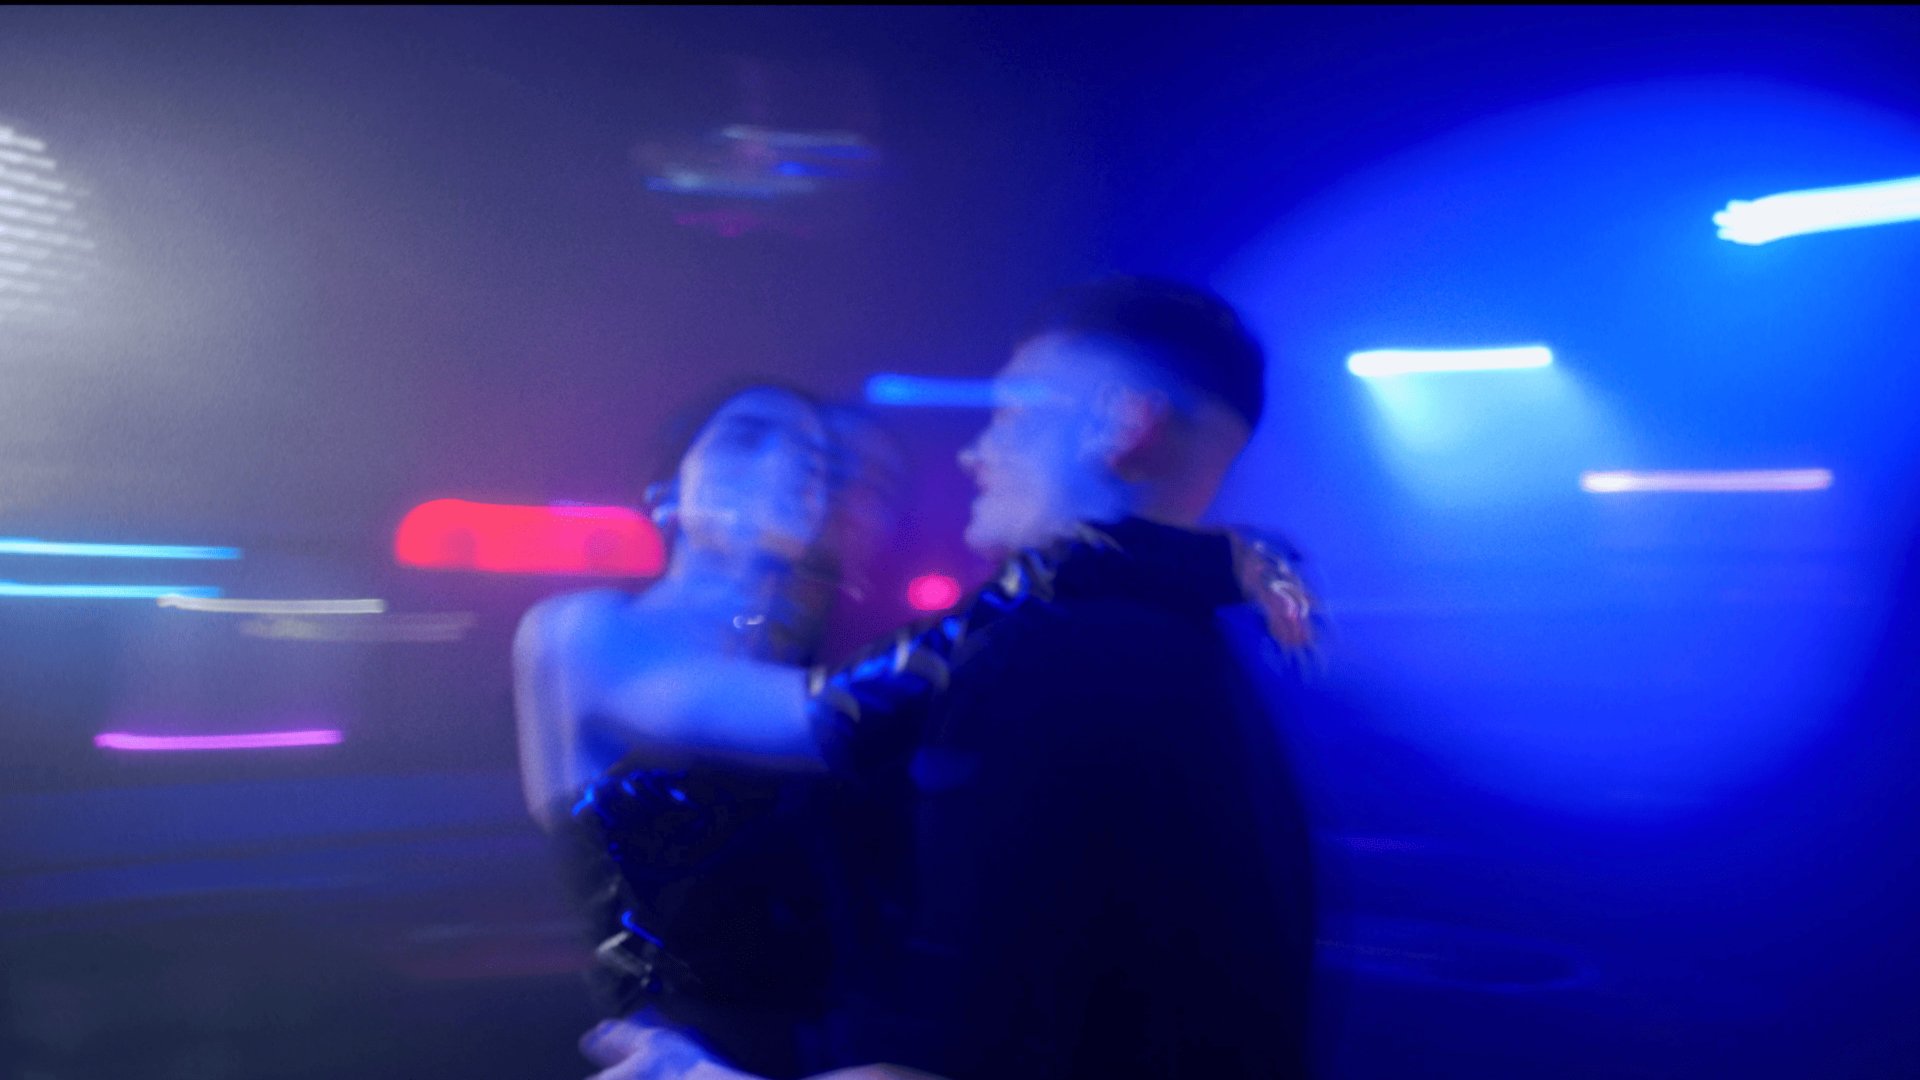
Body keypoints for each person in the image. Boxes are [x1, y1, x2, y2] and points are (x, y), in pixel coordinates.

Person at [586, 277, 1323, 1080]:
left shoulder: (1043, 657)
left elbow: (963, 1050)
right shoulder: (1212, 660)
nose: (976, 452)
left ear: (1120, 426)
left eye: (1012, 415)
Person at [513, 385, 900, 1079]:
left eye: (814, 458)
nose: (790, 460)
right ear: (665, 497)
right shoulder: (583, 630)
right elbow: (807, 720)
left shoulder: (804, 659)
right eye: (747, 437)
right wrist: (1048, 588)